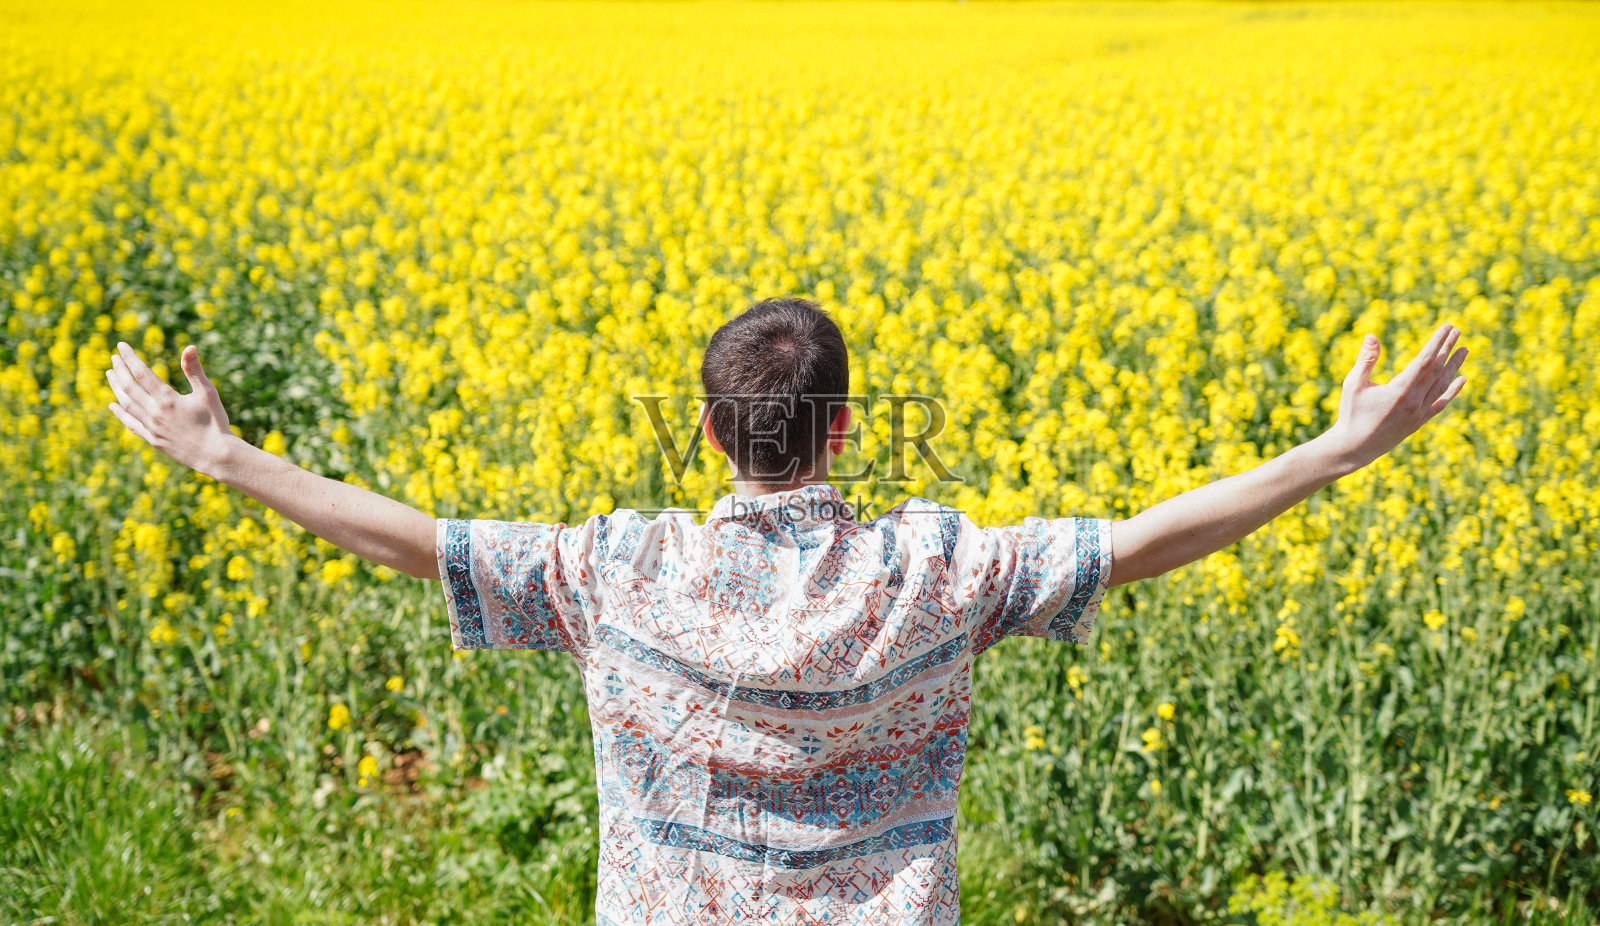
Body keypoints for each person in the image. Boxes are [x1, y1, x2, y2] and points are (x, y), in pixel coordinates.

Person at [104, 297, 1467, 924]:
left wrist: (226, 454)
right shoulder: (938, 575)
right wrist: (1335, 450)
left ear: (706, 431)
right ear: (849, 428)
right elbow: (1142, 542)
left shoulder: (617, 572)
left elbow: (422, 542)